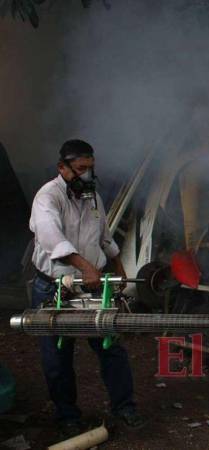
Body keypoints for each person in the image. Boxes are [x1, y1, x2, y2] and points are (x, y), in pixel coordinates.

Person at [29, 139, 145, 436]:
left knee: (111, 348)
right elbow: (51, 238)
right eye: (81, 169)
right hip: (55, 287)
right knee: (58, 355)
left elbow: (105, 237)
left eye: (91, 169)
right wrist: (85, 267)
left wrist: (119, 273)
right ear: (63, 168)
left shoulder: (92, 196)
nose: (87, 176)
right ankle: (67, 415)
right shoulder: (48, 197)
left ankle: (125, 407)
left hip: (93, 286)